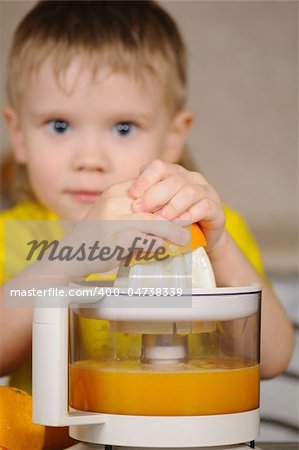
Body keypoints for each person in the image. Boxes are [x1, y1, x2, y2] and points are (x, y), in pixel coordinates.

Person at [0, 0, 294, 394]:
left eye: (123, 128)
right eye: (59, 125)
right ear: (18, 135)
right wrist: (76, 253)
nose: (90, 159)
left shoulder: (213, 230)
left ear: (174, 135)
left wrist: (219, 245)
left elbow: (273, 359)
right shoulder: (12, 235)